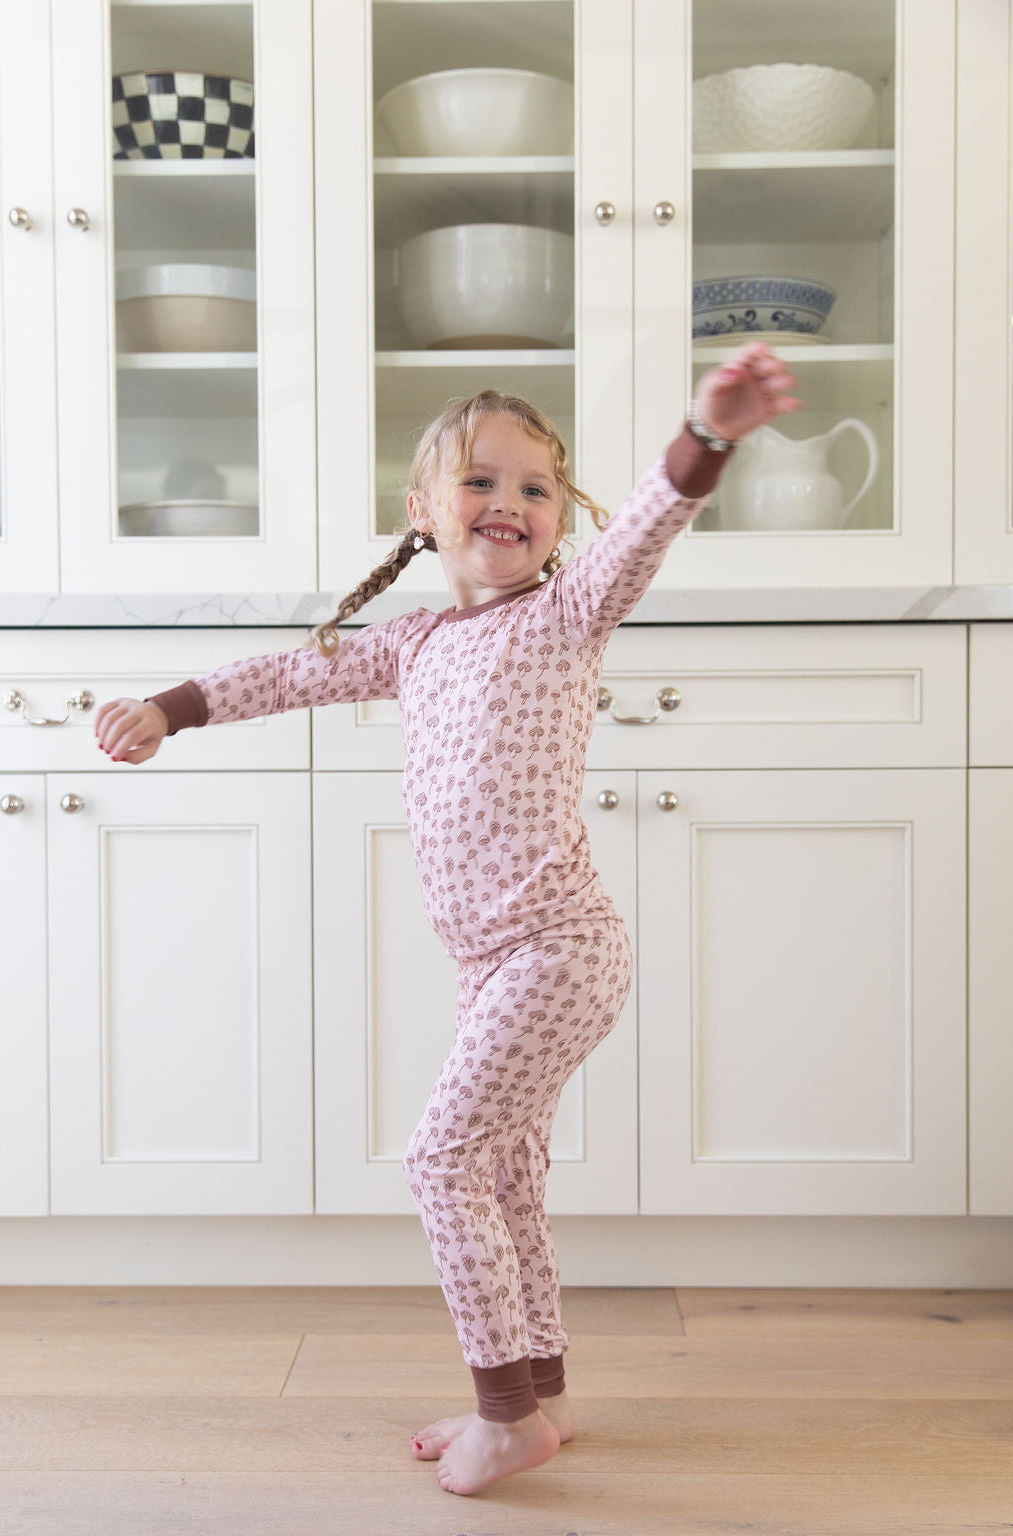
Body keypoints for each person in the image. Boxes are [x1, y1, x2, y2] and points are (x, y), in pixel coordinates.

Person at [95, 340, 800, 1496]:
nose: (509, 503)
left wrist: (706, 435)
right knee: (506, 1172)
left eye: (534, 487)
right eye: (480, 480)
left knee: (438, 1162)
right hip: (494, 964)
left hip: (558, 950)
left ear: (559, 521)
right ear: (422, 509)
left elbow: (648, 529)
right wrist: (168, 710)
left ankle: (504, 1416)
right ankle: (542, 1394)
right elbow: (287, 676)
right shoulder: (415, 643)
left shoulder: (568, 614)